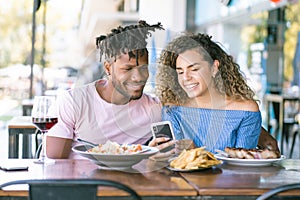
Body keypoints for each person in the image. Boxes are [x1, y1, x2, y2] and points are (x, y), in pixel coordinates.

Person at [45, 20, 173, 159]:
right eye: (128, 69)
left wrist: (153, 154)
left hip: (131, 180)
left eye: (143, 68)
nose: (138, 77)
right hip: (81, 179)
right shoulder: (74, 102)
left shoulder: (154, 109)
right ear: (108, 68)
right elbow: (55, 163)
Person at [155, 32, 279, 153]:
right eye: (180, 72)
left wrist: (197, 153)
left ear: (214, 68)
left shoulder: (246, 111)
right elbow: (173, 162)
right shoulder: (172, 109)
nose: (186, 78)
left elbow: (242, 167)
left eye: (194, 69)